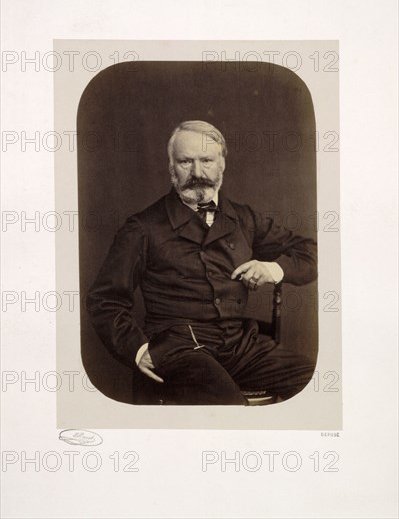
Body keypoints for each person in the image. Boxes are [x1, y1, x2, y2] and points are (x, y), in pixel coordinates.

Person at [86, 120, 317, 405]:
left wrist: (272, 269)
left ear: (222, 163)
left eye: (206, 160)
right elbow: (104, 300)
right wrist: (136, 349)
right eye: (186, 162)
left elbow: (311, 253)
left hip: (241, 346)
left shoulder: (245, 219)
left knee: (318, 385)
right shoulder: (143, 228)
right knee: (230, 411)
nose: (197, 173)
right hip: (179, 348)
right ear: (171, 167)